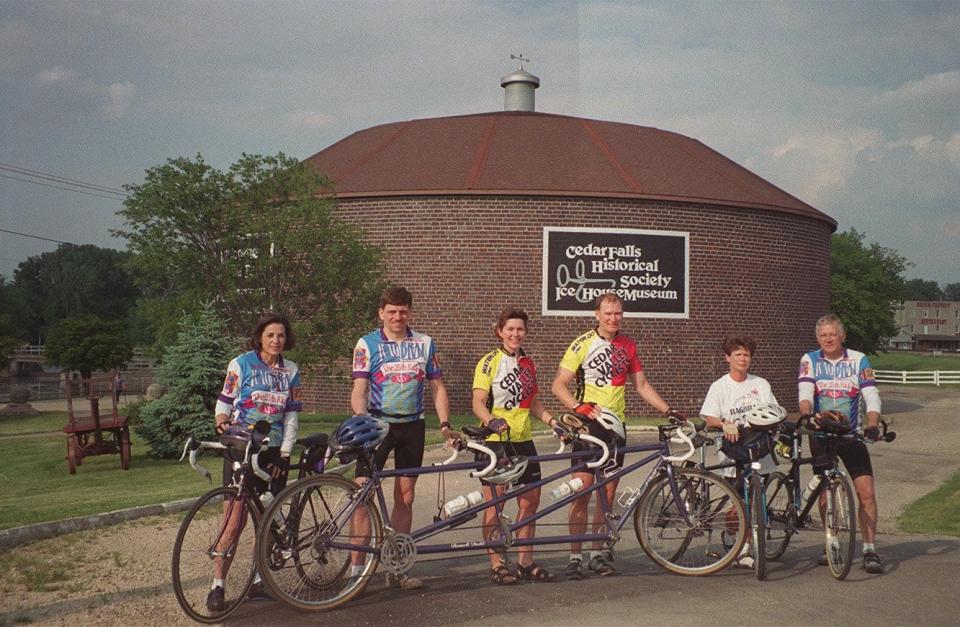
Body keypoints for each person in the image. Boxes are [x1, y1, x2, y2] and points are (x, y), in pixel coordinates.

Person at [551, 292, 677, 579]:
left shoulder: (628, 345)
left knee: (607, 494)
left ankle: (596, 553)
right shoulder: (582, 343)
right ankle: (574, 557)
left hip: (616, 428)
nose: (613, 318)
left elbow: (642, 385)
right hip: (588, 429)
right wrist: (577, 406)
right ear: (597, 314)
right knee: (582, 492)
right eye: (607, 313)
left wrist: (668, 409)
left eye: (617, 313)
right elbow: (558, 385)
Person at [350, 286, 452, 590]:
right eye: (391, 311)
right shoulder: (366, 343)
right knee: (362, 496)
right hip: (377, 426)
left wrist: (445, 424)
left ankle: (396, 566)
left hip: (412, 427)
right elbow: (359, 388)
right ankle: (357, 572)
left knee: (404, 497)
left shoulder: (424, 343)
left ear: (410, 312)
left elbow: (437, 387)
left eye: (403, 311)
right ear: (381, 312)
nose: (397, 316)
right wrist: (361, 419)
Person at [207, 313, 302, 611]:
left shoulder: (292, 370)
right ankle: (218, 585)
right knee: (233, 522)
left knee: (267, 520)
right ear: (259, 336)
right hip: (242, 449)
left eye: (281, 335)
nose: (276, 340)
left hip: (273, 452)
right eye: (271, 335)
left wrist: (285, 453)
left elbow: (291, 417)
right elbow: (224, 402)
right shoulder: (241, 363)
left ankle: (260, 581)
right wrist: (221, 423)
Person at [472, 306, 559, 585]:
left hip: (523, 440)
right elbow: (477, 401)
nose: (515, 333)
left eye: (520, 329)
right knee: (494, 506)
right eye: (510, 329)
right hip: (496, 443)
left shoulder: (528, 363)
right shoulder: (489, 362)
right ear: (500, 332)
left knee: (530, 501)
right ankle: (496, 562)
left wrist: (552, 421)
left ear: (525, 332)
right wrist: (491, 421)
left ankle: (525, 561)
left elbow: (532, 402)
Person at [798, 313, 884, 574]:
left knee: (866, 492)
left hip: (851, 434)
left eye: (832, 334)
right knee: (826, 491)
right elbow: (804, 395)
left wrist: (872, 422)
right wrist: (807, 414)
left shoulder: (859, 359)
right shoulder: (809, 360)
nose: (828, 339)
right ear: (817, 338)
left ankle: (869, 549)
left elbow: (871, 395)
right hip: (822, 435)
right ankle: (831, 543)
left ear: (842, 336)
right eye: (823, 335)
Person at [700, 334, 780, 568]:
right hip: (733, 450)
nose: (743, 359)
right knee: (736, 503)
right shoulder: (720, 386)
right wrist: (725, 424)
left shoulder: (761, 384)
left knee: (755, 498)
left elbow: (772, 410)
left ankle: (745, 549)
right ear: (728, 358)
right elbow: (709, 417)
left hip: (758, 447)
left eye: (746, 355)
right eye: (738, 355)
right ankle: (731, 536)